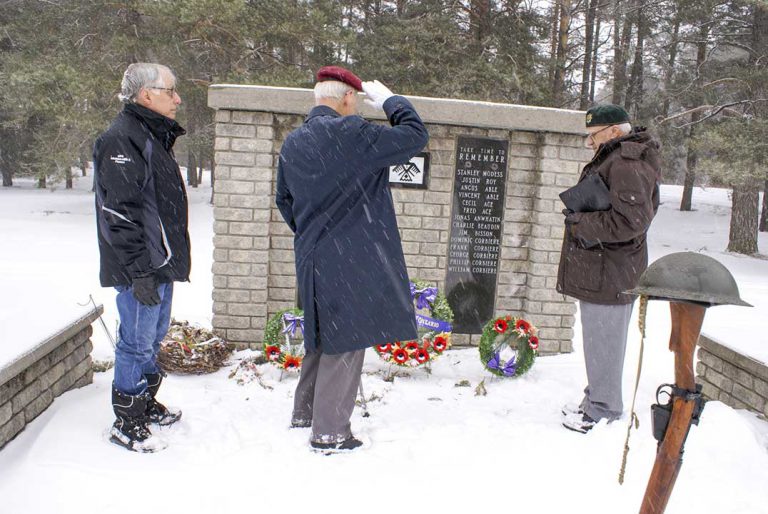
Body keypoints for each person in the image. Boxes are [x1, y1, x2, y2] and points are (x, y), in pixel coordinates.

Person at [275, 66, 428, 452]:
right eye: (356, 99)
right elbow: (414, 136)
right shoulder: (354, 133)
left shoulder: (294, 142)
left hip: (312, 255)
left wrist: (313, 234)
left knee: (321, 335)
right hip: (351, 256)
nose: (356, 104)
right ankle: (330, 431)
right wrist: (393, 102)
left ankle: (305, 412)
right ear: (345, 97)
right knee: (346, 340)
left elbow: (284, 200)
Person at [94, 63, 189, 452]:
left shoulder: (150, 134)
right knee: (135, 343)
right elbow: (119, 212)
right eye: (170, 91)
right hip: (140, 268)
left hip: (157, 263)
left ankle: (145, 403)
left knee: (153, 337)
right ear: (146, 95)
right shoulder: (122, 139)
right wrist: (139, 272)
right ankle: (127, 419)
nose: (178, 98)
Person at [556, 104, 661, 433]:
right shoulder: (617, 157)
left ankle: (602, 409)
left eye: (594, 136)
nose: (591, 143)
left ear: (615, 131)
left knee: (605, 342)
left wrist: (580, 222)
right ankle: (595, 399)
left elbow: (632, 221)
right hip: (606, 268)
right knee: (599, 341)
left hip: (611, 271)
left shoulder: (627, 162)